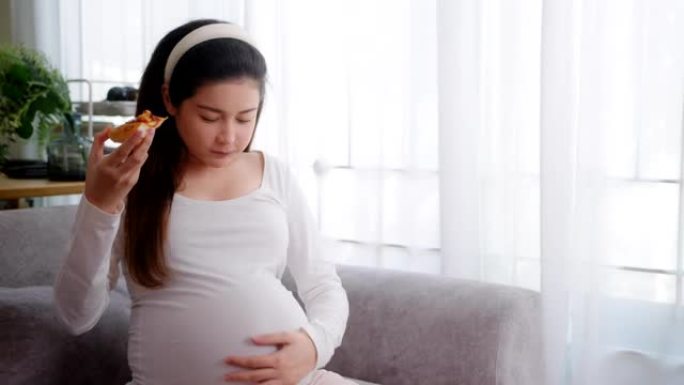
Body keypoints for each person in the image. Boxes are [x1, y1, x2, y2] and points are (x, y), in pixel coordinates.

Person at [54, 19, 354, 385]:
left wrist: (314, 345)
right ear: (169, 100)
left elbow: (323, 286)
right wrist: (98, 205)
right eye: (209, 117)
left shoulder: (273, 173)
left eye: (245, 118)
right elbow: (75, 316)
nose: (229, 137)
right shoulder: (132, 183)